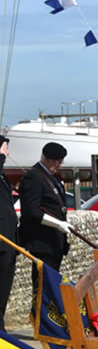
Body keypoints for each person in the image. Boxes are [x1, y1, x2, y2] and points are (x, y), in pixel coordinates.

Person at [19, 142, 72, 285]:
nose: (60, 165)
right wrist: (58, 224)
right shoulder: (34, 176)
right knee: (43, 285)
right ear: (46, 158)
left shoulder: (50, 176)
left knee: (52, 283)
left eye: (61, 162)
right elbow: (32, 211)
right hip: (43, 242)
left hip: (54, 241)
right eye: (57, 162)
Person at [0, 136, 18, 332]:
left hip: (9, 242)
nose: (7, 154)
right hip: (1, 241)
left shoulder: (3, 176)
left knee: (4, 288)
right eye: (5, 149)